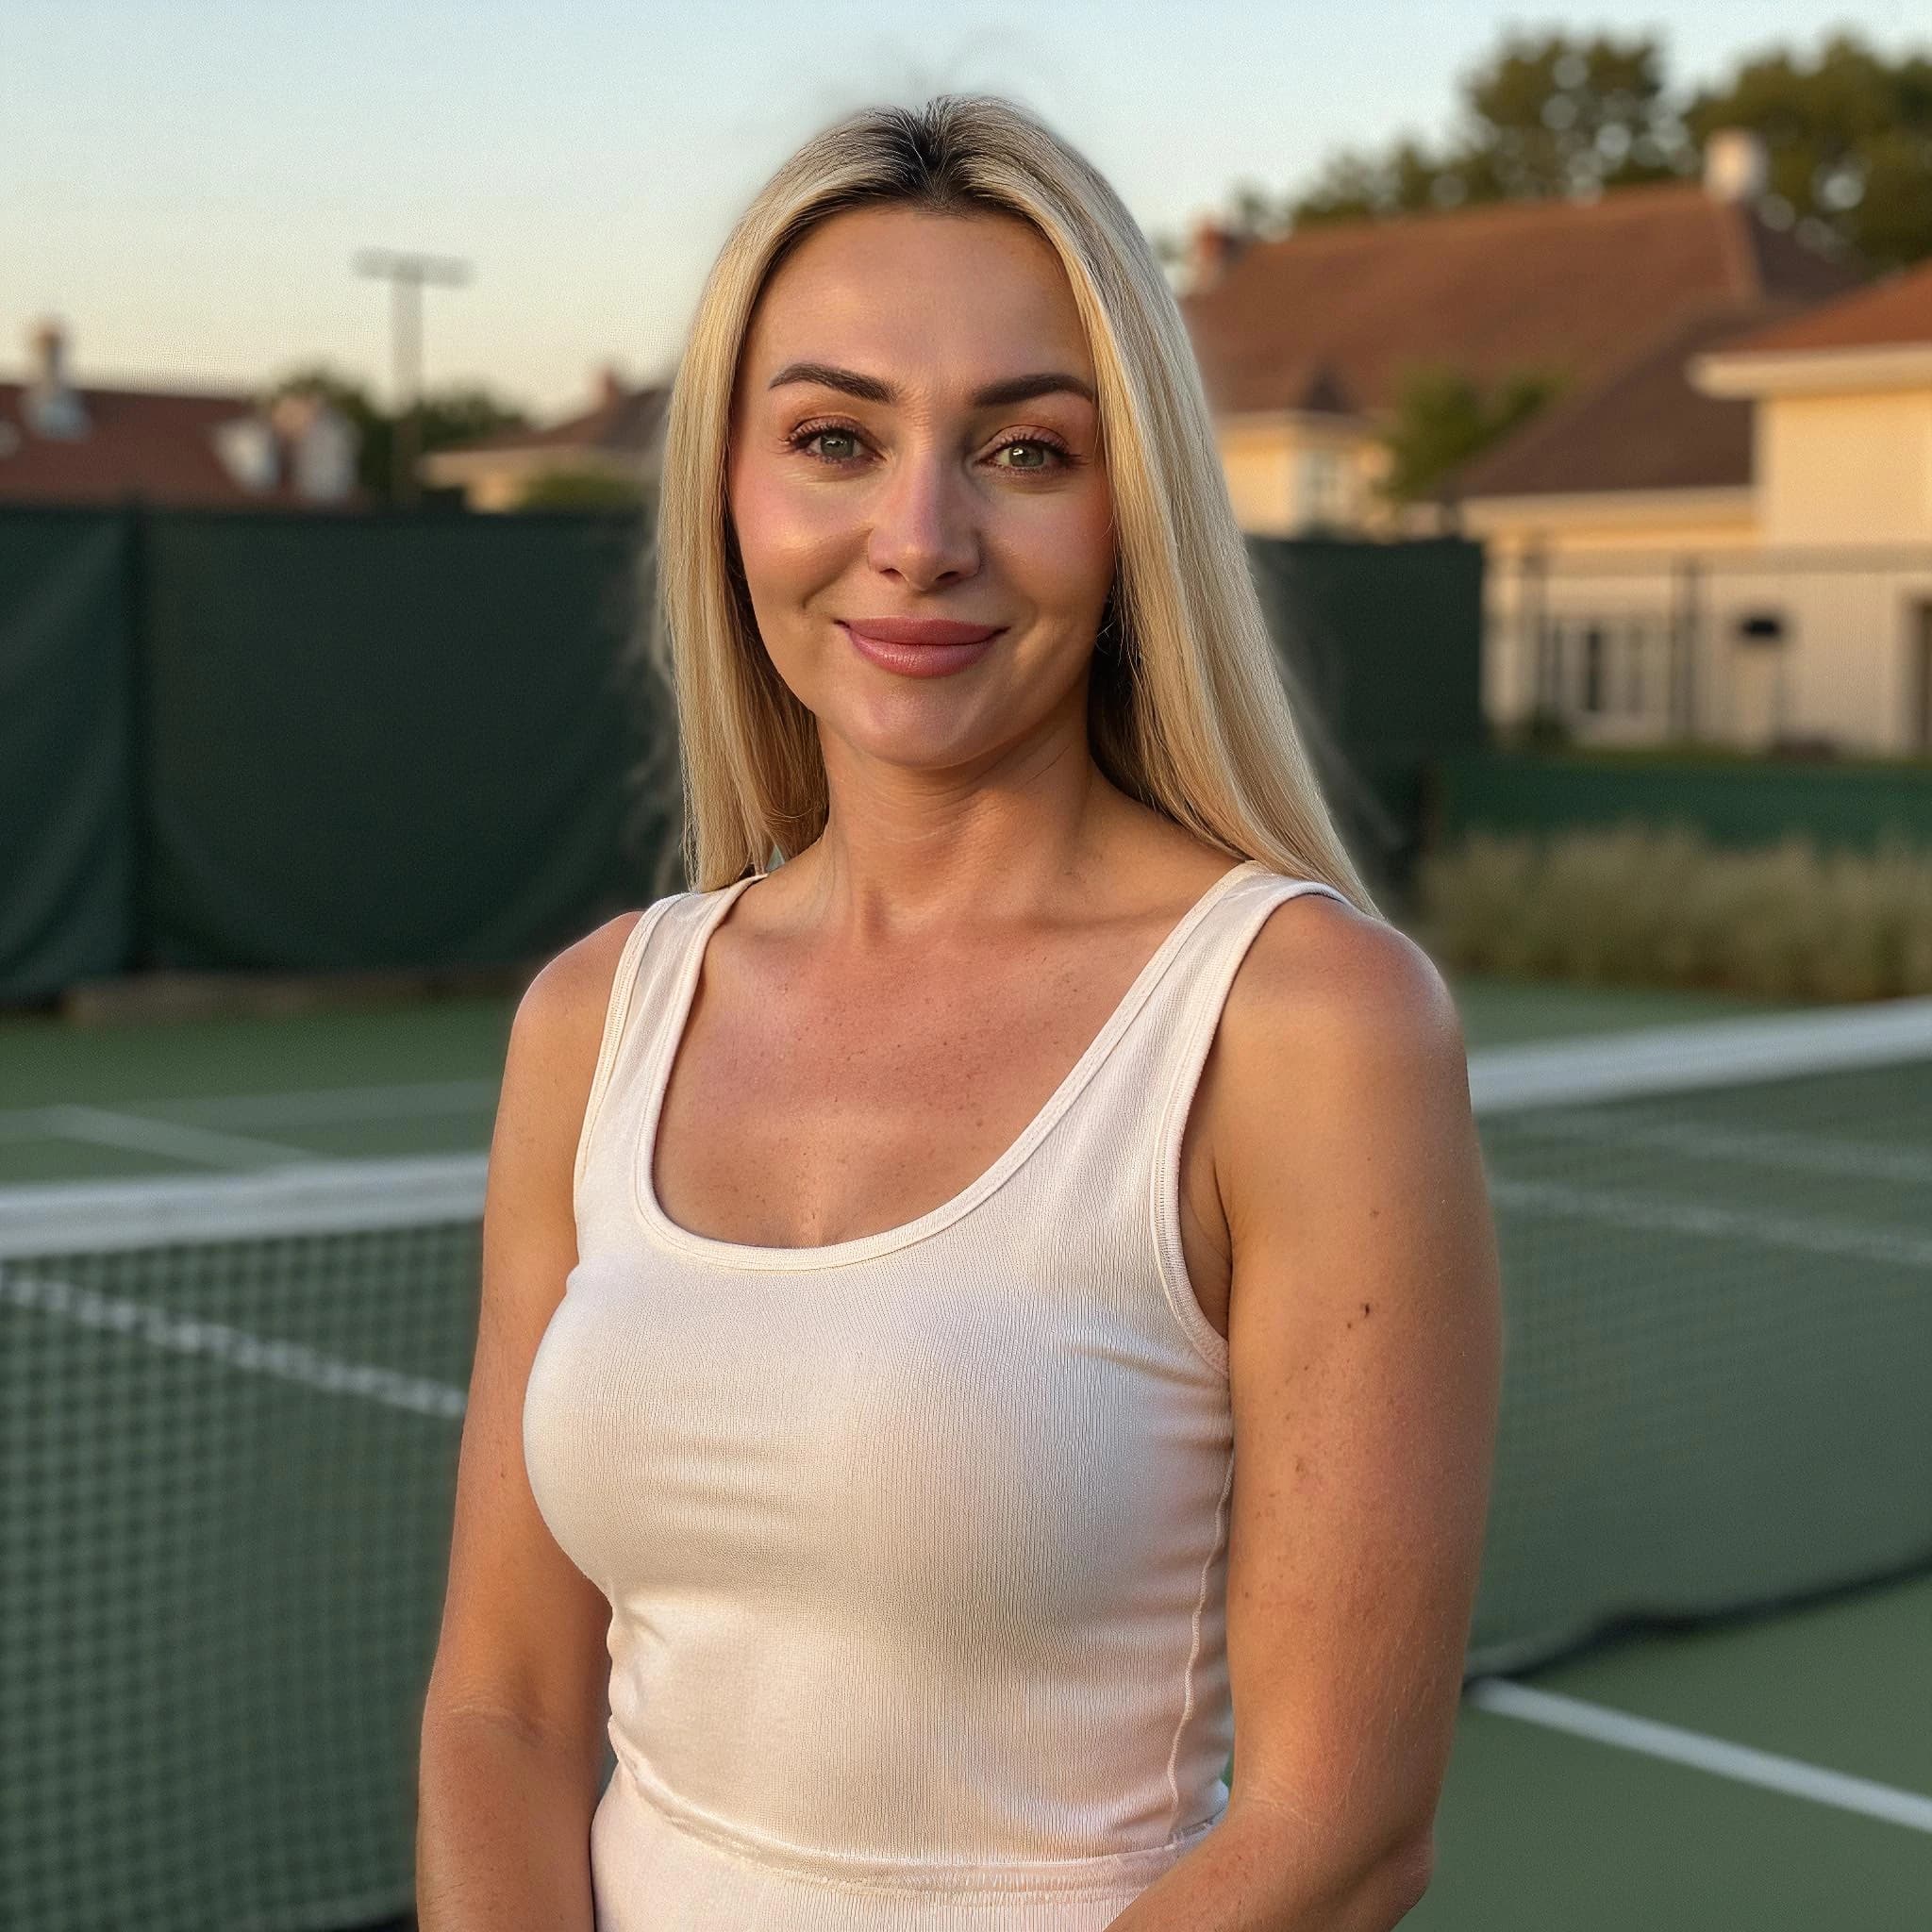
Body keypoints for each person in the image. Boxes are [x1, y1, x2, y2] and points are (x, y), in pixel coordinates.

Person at [416, 93, 1502, 1932]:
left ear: (1126, 504)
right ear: (731, 489)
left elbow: (1338, 1829)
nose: (916, 538)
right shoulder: (592, 1019)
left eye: (1021, 452)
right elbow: (503, 1711)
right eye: (835, 437)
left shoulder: (1304, 1026)